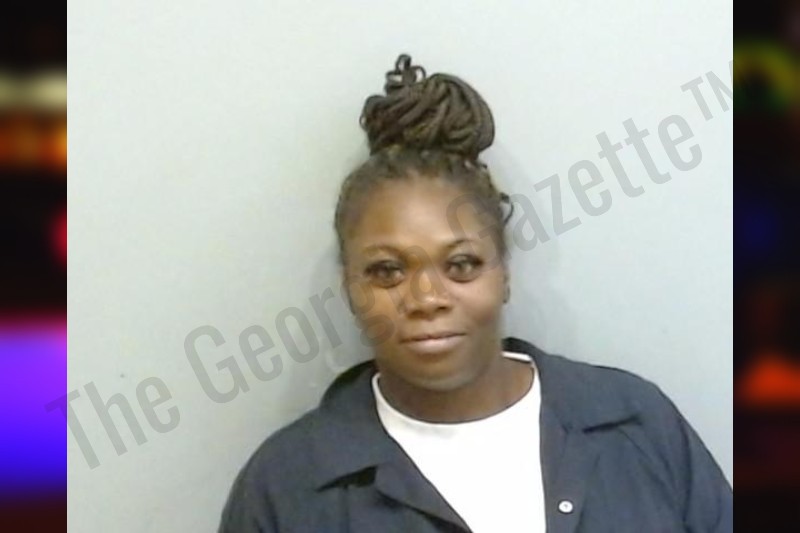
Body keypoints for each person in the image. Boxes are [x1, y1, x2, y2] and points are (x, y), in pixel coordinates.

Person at [218, 54, 732, 533]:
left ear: (503, 272)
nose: (427, 299)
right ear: (349, 288)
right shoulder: (288, 488)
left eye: (461, 265)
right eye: (387, 271)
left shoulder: (633, 422)